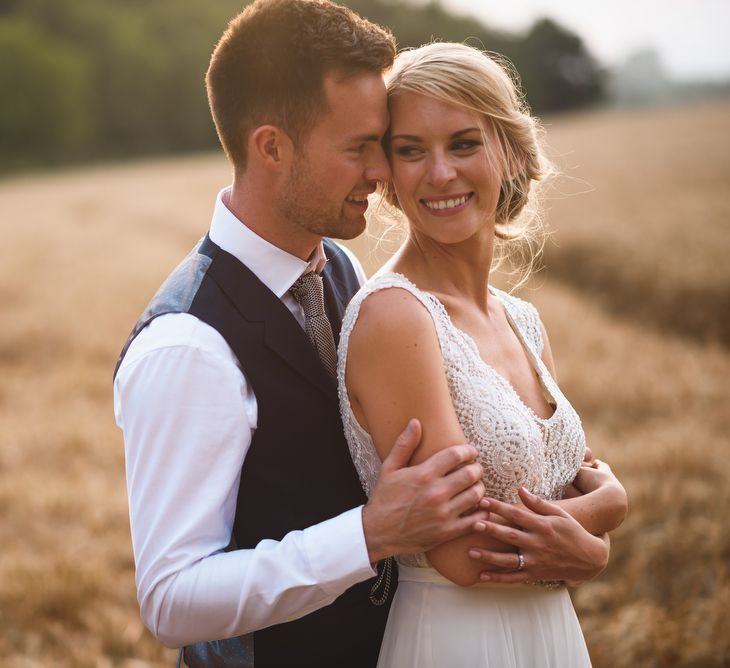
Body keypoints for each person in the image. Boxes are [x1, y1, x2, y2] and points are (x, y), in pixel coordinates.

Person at [113, 2, 614, 666]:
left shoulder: (343, 271)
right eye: (361, 149)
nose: (384, 175)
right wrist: (367, 536)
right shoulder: (188, 345)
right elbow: (172, 600)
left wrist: (603, 510)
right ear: (271, 147)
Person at [337, 42, 628, 667]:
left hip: (552, 637)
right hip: (457, 641)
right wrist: (608, 513)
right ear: (388, 173)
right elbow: (463, 554)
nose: (439, 173)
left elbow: (568, 471)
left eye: (463, 143)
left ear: (513, 152)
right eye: (411, 150)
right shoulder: (396, 316)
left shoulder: (522, 320)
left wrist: (593, 524)